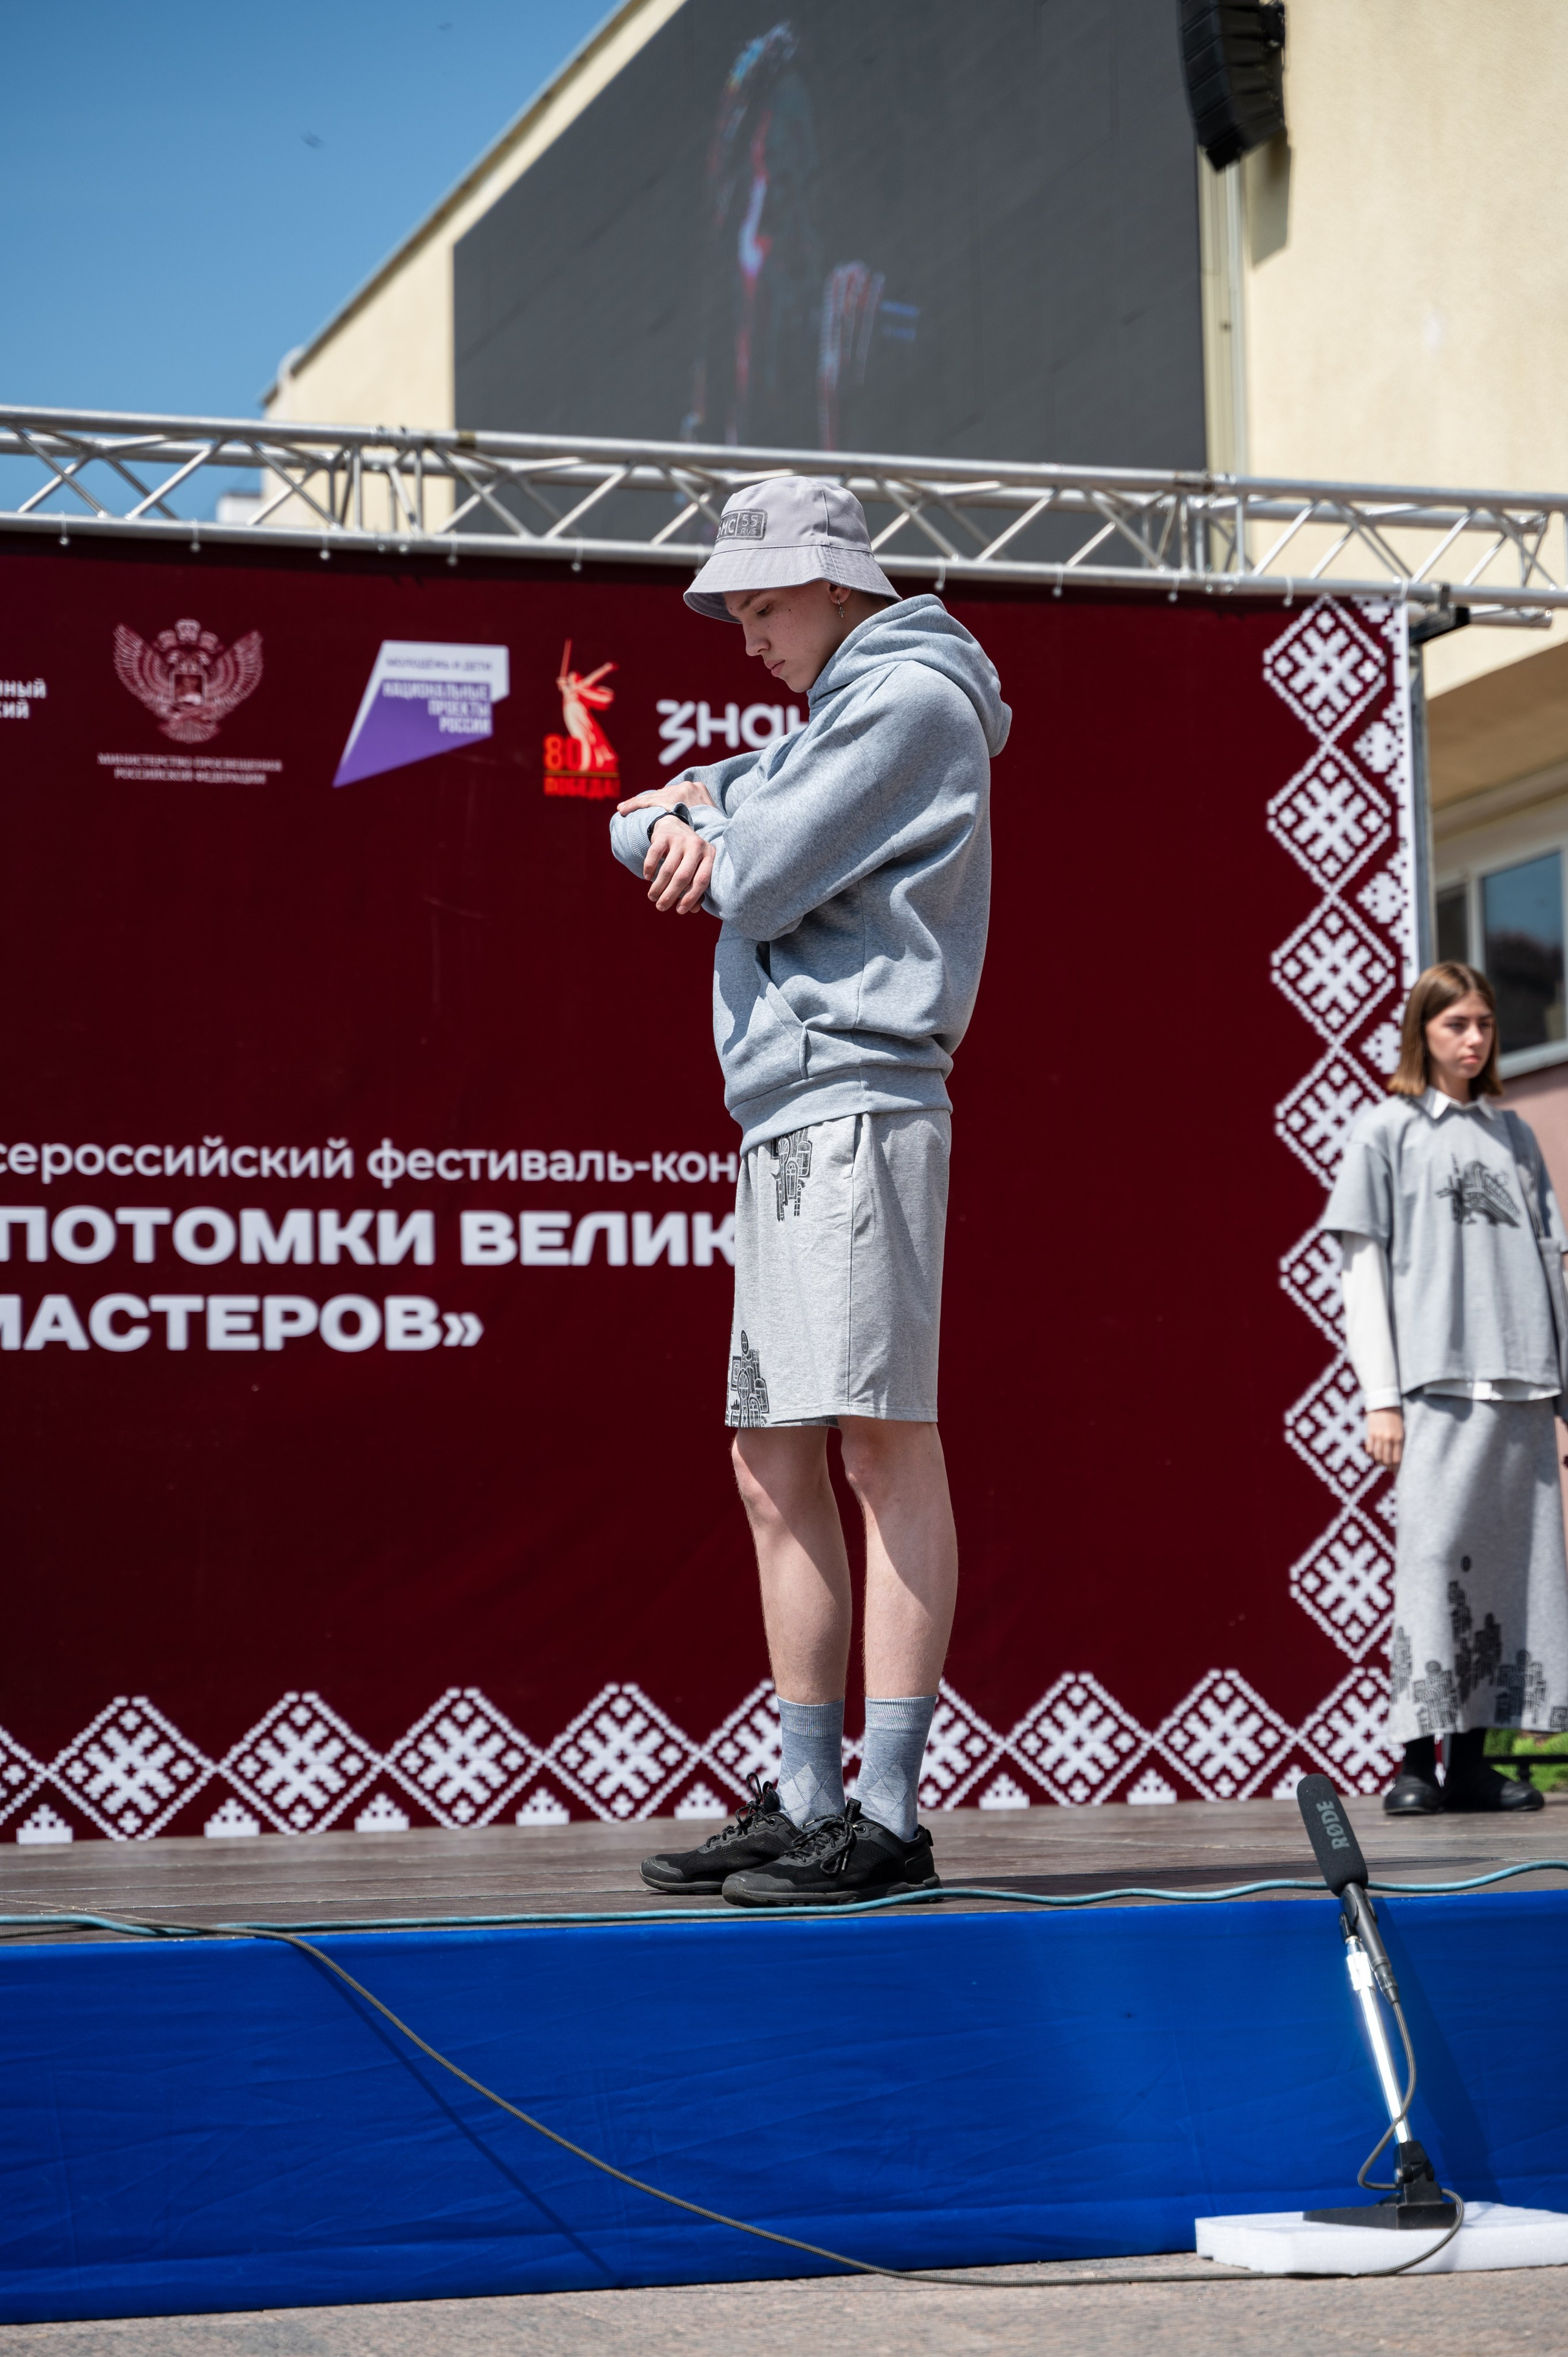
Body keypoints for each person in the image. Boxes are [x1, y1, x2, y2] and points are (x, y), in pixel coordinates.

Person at [608, 475, 1009, 1903]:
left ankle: (886, 1819)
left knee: (878, 1442)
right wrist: (700, 807)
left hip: (859, 1099)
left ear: (839, 581)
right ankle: (805, 1795)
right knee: (771, 1457)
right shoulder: (825, 720)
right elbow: (670, 814)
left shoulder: (907, 699)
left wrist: (709, 818)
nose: (741, 631)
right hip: (787, 1112)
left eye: (761, 600)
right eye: (733, 603)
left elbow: (757, 867)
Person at [1324, 962, 1568, 1815]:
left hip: (1523, 1384)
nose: (1474, 1040)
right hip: (1435, 1383)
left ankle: (1473, 1761)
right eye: (1455, 1024)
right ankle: (1413, 1763)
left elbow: (1552, 1266)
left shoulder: (1516, 1139)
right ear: (1421, 1032)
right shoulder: (1385, 1131)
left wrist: (1563, 1392)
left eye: (1484, 1025)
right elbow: (1362, 1269)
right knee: (1432, 1566)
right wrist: (1380, 1396)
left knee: (1507, 1574)